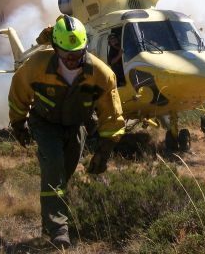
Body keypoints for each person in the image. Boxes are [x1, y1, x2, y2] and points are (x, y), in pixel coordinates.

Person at [8, 15, 125, 249]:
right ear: (55, 48)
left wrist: (104, 152)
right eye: (66, 54)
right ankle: (59, 231)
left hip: (76, 125)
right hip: (44, 123)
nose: (71, 60)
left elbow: (112, 116)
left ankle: (48, 223)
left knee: (64, 174)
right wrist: (18, 125)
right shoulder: (37, 65)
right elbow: (18, 94)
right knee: (54, 166)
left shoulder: (101, 74)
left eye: (77, 54)